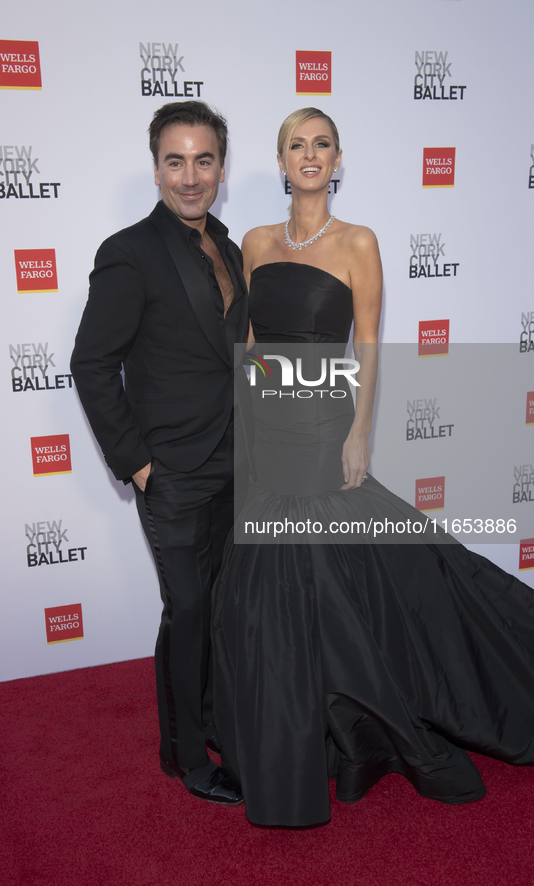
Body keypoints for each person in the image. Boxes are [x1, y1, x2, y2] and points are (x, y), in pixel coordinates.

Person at [211, 108, 534, 827]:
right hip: (271, 425)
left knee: (342, 568)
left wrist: (359, 432)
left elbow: (367, 344)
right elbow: (256, 345)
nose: (308, 155)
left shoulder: (359, 242)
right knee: (284, 578)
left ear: (337, 159)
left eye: (320, 144)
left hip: (327, 424)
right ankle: (316, 724)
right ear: (280, 159)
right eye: (295, 145)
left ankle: (365, 723)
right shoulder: (256, 243)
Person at [71, 101, 249, 806]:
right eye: (174, 161)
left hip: (236, 462)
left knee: (216, 608)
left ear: (221, 169)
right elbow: (91, 363)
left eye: (202, 160)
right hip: (172, 470)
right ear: (155, 168)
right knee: (188, 608)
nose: (189, 176)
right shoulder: (128, 252)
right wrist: (139, 464)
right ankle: (184, 759)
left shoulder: (230, 248)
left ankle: (205, 723)